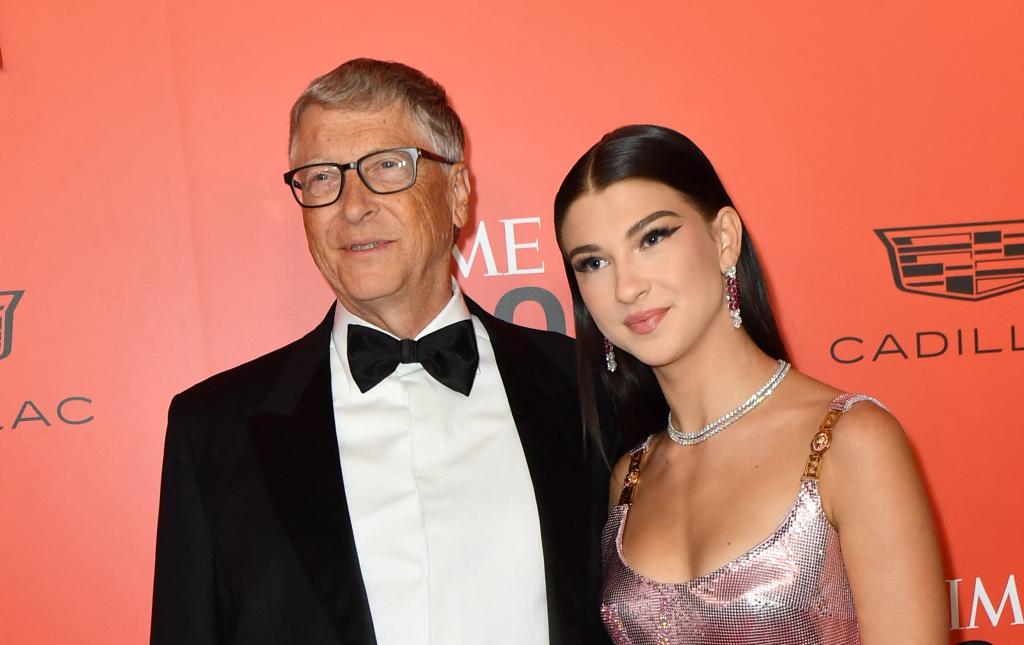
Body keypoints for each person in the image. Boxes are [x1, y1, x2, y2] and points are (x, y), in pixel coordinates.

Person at [151, 58, 608, 645]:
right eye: (321, 177)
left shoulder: (587, 389)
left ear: (459, 194)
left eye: (389, 166)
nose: (353, 204)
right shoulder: (212, 431)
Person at [553, 124, 946, 643]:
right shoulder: (630, 478)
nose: (627, 286)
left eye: (652, 238)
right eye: (594, 262)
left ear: (724, 239)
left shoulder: (849, 442)